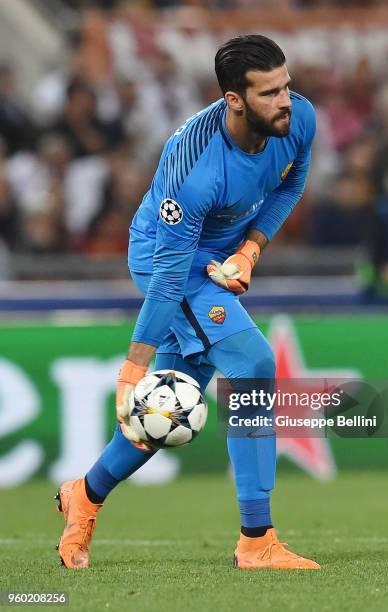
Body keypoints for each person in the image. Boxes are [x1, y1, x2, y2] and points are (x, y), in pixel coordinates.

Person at [55, 34, 320, 571]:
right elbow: (170, 271)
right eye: (269, 93)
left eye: (285, 86)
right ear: (234, 100)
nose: (285, 101)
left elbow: (291, 186)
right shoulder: (194, 164)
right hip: (166, 260)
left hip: (222, 257)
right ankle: (256, 540)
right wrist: (134, 365)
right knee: (252, 363)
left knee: (167, 408)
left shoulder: (298, 119)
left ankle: (84, 495)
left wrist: (250, 248)